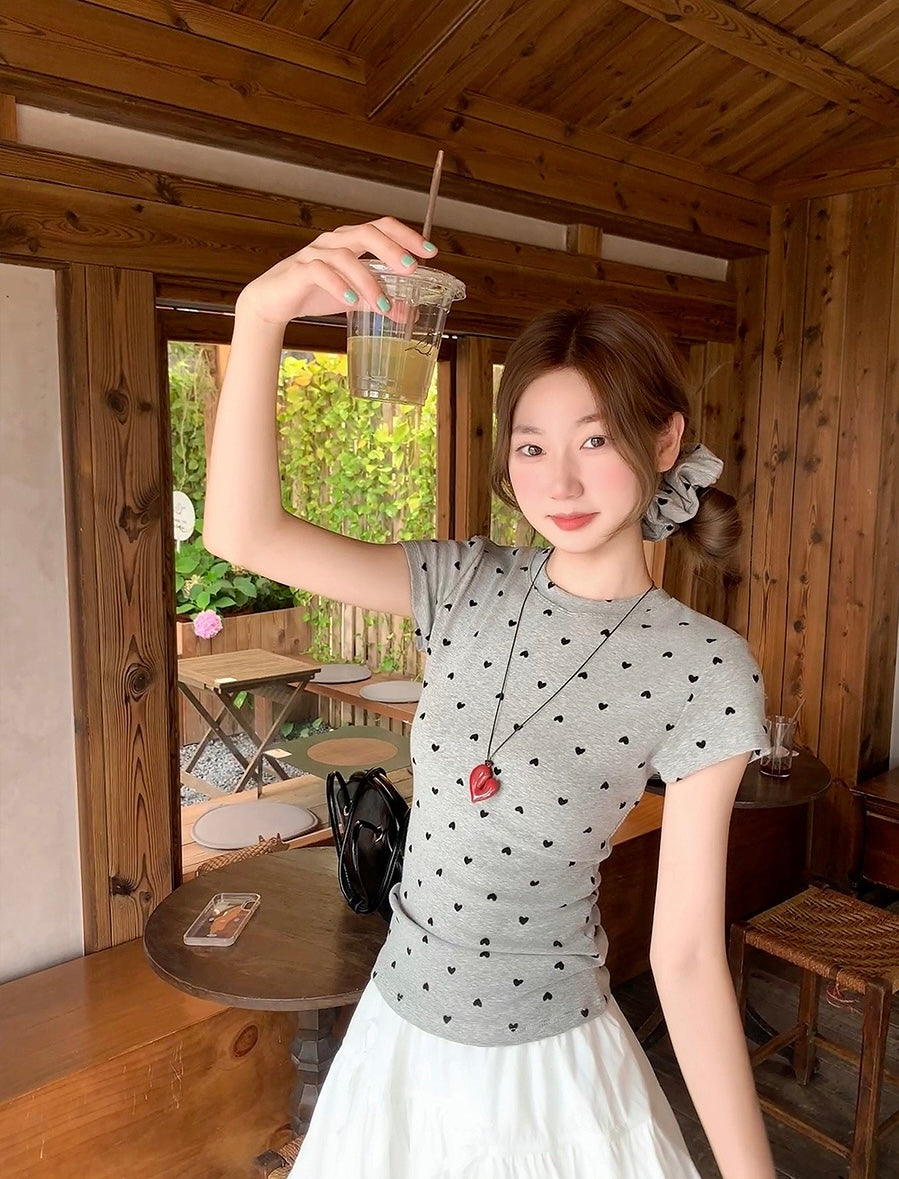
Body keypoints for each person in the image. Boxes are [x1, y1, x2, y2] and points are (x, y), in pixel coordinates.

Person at [203, 217, 776, 1179]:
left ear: (664, 438)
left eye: (595, 439)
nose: (560, 479)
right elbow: (244, 534)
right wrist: (260, 315)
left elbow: (682, 958)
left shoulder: (705, 668)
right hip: (396, 1048)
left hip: (550, 1073)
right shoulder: (462, 581)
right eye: (531, 445)